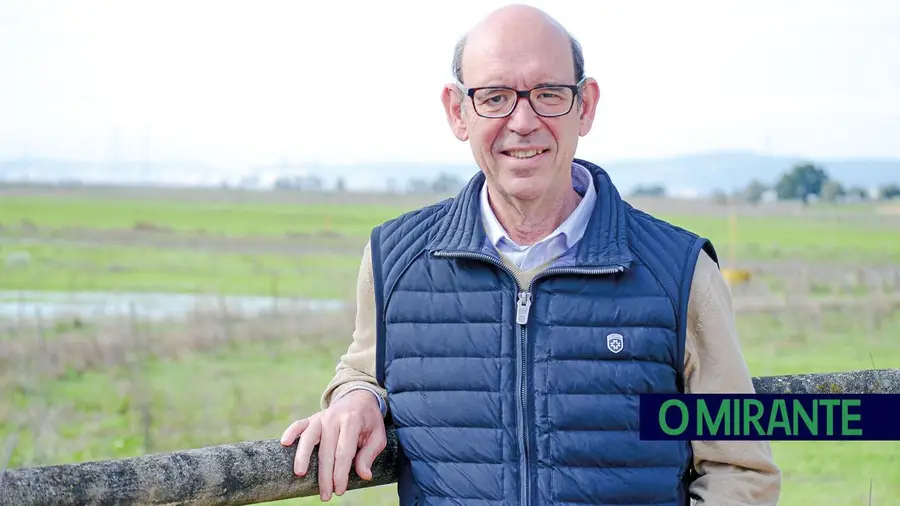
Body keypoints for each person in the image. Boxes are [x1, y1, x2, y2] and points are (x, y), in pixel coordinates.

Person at [281, 4, 782, 505]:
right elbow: (366, 366)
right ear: (458, 111)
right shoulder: (394, 260)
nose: (523, 122)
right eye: (495, 97)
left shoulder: (681, 272)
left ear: (584, 106)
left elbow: (739, 468)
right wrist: (355, 396)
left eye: (548, 94)